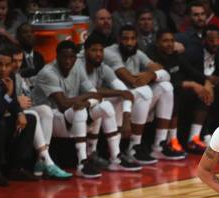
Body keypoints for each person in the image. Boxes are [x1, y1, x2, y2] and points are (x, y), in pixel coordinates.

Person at [32, 40, 120, 178]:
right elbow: (63, 103)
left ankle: (115, 158)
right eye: (64, 57)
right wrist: (87, 97)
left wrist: (88, 102)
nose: (68, 61)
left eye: (71, 57)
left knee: (106, 106)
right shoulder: (48, 72)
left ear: (75, 57)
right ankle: (81, 163)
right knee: (79, 111)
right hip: (48, 118)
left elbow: (95, 94)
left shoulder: (78, 67)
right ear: (57, 56)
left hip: (68, 116)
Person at [104, 25, 181, 162]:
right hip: (113, 102)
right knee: (144, 90)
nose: (129, 42)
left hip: (132, 101)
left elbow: (164, 73)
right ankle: (134, 147)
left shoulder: (137, 53)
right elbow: (131, 80)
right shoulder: (110, 53)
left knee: (166, 87)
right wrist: (147, 76)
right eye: (125, 39)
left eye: (133, 39)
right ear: (118, 40)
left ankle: (159, 145)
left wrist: (151, 74)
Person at [81, 33, 142, 171]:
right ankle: (96, 154)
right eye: (94, 50)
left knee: (115, 99)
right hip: (71, 108)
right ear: (85, 51)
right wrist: (120, 93)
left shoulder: (103, 67)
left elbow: (125, 92)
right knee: (101, 101)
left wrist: (127, 118)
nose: (98, 54)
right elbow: (92, 90)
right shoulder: (78, 64)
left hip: (88, 110)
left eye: (101, 50)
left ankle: (114, 156)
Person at [146, 29, 209, 158]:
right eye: (165, 41)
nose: (169, 44)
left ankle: (194, 139)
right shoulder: (153, 59)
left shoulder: (175, 55)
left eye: (171, 41)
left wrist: (207, 83)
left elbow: (192, 72)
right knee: (173, 93)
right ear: (157, 43)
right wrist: (190, 84)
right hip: (158, 95)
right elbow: (164, 80)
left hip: (178, 89)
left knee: (203, 94)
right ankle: (171, 141)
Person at [9, 47, 72, 179]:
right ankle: (48, 162)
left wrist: (22, 102)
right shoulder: (1, 76)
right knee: (34, 115)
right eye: (14, 61)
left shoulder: (18, 77)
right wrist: (16, 102)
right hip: (5, 115)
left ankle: (40, 160)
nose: (17, 64)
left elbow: (25, 100)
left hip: (17, 112)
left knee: (45, 110)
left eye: (20, 61)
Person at [0, 47, 37, 183]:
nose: (3, 69)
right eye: (0, 64)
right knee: (0, 124)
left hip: (0, 118)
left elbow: (13, 103)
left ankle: (16, 167)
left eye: (7, 65)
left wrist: (20, 113)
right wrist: (9, 94)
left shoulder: (11, 77)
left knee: (30, 119)